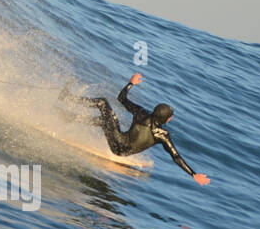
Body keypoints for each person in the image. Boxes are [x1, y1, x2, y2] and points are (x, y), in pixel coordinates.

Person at [70, 73, 209, 184]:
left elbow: (121, 98)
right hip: (121, 152)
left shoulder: (141, 113)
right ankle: (71, 117)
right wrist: (193, 174)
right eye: (170, 117)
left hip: (116, 141)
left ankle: (70, 99)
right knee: (103, 121)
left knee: (102, 103)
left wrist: (131, 83)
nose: (170, 119)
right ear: (165, 119)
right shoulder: (163, 135)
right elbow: (176, 156)